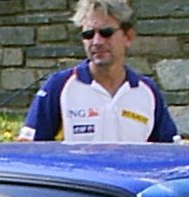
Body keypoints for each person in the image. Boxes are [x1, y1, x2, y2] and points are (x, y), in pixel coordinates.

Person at [18, 0, 178, 144]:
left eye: (106, 33)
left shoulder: (147, 91)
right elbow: (29, 152)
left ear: (128, 37)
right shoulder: (59, 87)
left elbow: (171, 154)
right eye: (88, 34)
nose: (97, 41)